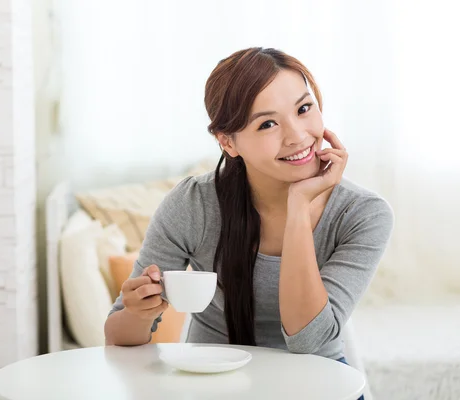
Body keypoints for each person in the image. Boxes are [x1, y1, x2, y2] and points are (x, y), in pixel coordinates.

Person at [104, 47, 393, 399]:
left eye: (304, 109)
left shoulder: (363, 214)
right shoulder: (193, 204)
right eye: (268, 123)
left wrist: (299, 207)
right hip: (211, 388)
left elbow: (308, 340)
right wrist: (137, 311)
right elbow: (118, 336)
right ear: (228, 142)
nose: (297, 135)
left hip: (318, 388)